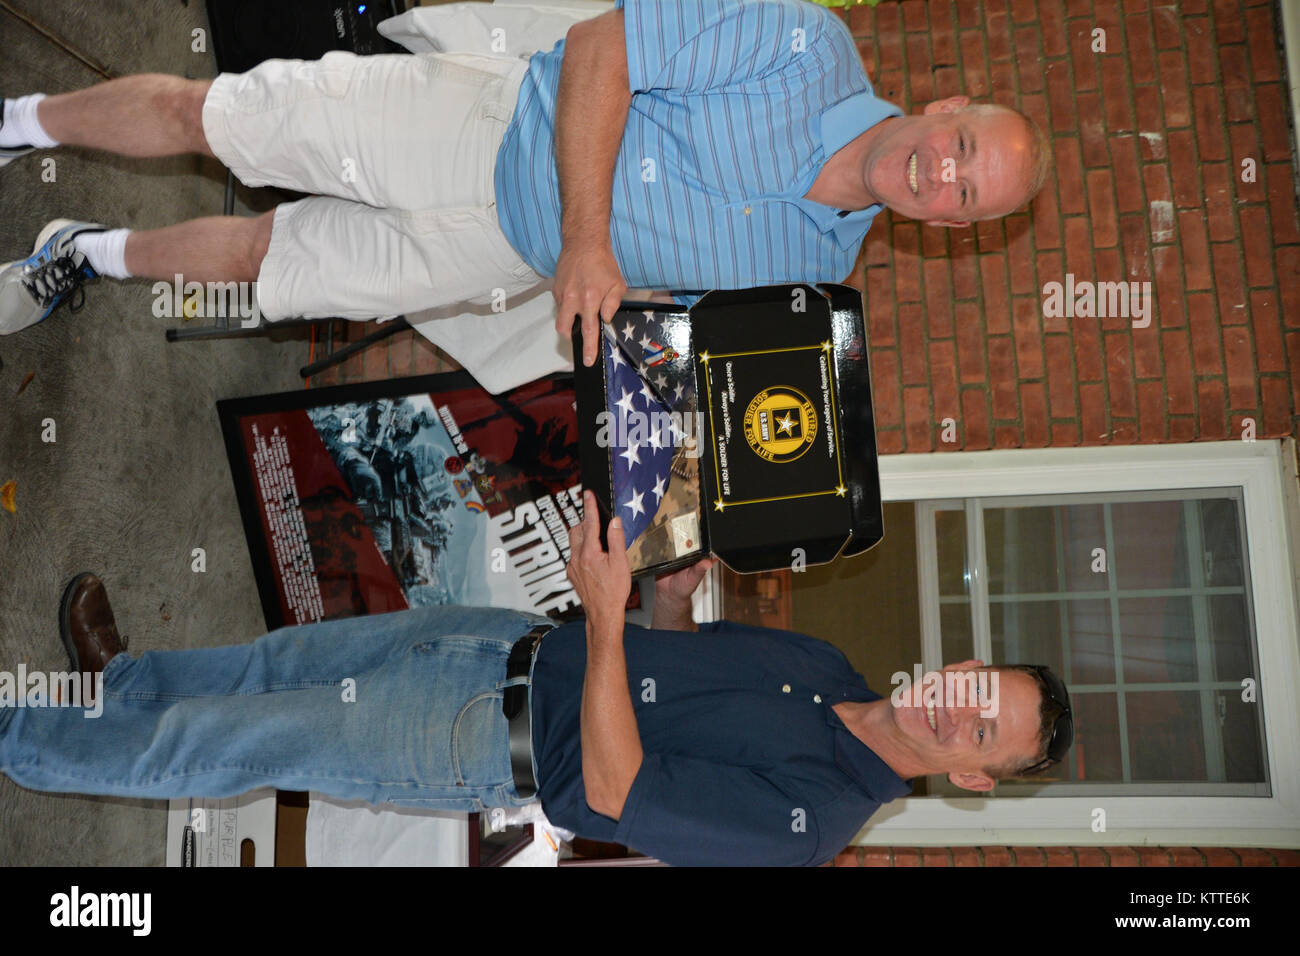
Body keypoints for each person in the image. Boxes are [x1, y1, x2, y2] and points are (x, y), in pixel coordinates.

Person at [0, 491, 1073, 867]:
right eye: (982, 688)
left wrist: (607, 617)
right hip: (498, 640)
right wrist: (657, 605)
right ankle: (122, 683)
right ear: (967, 662)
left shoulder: (813, 822)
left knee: (237, 747)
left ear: (970, 780)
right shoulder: (828, 664)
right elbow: (664, 682)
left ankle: (24, 739)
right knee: (276, 660)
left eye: (982, 734)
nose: (958, 705)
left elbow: (615, 789)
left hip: (471, 735)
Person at [0, 0, 1050, 372]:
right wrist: (591, 234)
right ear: (948, 106)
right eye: (964, 152)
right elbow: (604, 47)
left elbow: (660, 301)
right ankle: (17, 124)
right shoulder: (807, 47)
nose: (944, 178)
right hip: (478, 127)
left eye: (968, 198)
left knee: (261, 263)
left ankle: (80, 250)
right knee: (216, 120)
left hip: (493, 261)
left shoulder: (819, 273)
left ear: (954, 229)